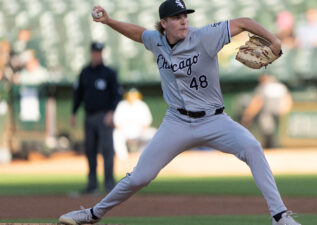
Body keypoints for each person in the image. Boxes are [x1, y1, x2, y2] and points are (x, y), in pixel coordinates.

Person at [59, 1, 301, 225]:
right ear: (164, 24)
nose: (184, 20)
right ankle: (92, 214)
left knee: (252, 147)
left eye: (184, 15)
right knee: (139, 178)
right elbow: (138, 34)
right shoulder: (156, 40)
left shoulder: (206, 36)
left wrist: (273, 39)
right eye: (176, 17)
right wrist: (109, 21)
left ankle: (279, 216)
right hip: (177, 121)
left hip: (214, 119)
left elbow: (245, 22)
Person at [70, 41, 121, 194]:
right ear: (91, 53)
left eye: (99, 52)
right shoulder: (85, 72)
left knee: (107, 151)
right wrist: (73, 112)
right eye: (94, 52)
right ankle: (92, 185)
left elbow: (116, 95)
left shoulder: (109, 73)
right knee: (90, 151)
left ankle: (109, 184)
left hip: (104, 115)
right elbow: (78, 94)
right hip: (89, 115)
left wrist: (111, 113)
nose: (97, 55)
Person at [241, 75, 292, 149]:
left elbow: (258, 101)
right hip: (278, 110)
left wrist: (249, 113)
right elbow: (287, 99)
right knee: (273, 129)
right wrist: (285, 108)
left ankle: (271, 146)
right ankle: (274, 145)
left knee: (267, 129)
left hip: (268, 111)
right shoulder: (280, 86)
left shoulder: (264, 87)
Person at [113, 88, 156, 160]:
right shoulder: (122, 105)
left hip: (139, 131)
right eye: (130, 95)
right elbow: (117, 123)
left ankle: (143, 155)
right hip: (125, 131)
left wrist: (141, 131)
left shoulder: (142, 105)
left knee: (152, 133)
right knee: (116, 133)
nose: (132, 97)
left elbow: (146, 123)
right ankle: (123, 158)